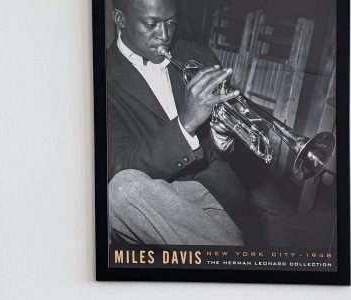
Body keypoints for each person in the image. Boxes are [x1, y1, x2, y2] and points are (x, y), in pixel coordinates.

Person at [106, 0, 248, 245]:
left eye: (171, 22)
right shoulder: (100, 76)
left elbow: (220, 155)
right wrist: (185, 124)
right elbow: (118, 167)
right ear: (120, 19)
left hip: (214, 194)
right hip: (148, 199)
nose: (164, 35)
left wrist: (221, 135)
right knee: (120, 189)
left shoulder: (198, 55)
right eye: (151, 24)